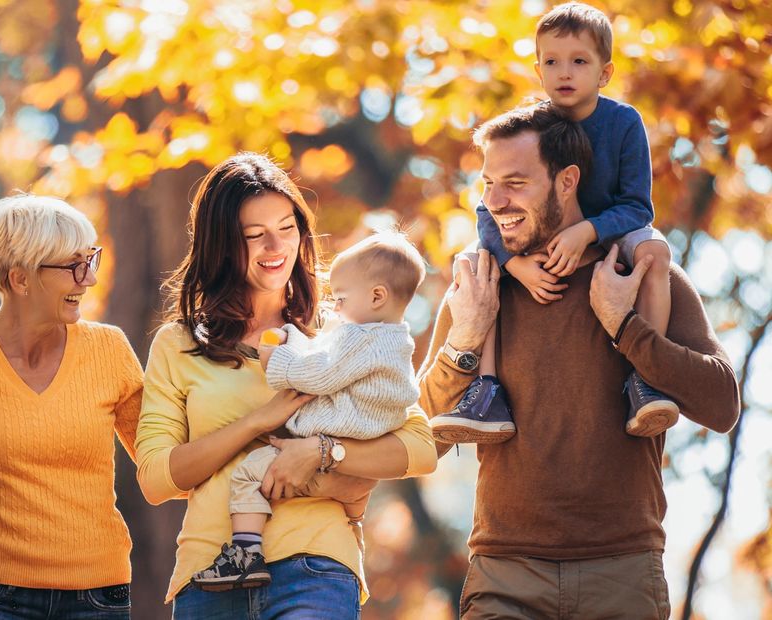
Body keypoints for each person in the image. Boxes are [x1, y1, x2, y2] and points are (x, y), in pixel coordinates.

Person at [419, 103, 740, 618]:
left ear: (567, 180)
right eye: (487, 184)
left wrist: (624, 325)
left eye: (516, 183)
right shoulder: (479, 286)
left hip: (623, 572)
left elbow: (722, 406)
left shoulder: (638, 276)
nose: (494, 202)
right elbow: (417, 437)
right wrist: (466, 339)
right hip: (504, 574)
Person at [137, 152, 437, 618]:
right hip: (208, 575)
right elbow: (157, 478)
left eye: (287, 228)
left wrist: (321, 453)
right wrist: (260, 419)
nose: (276, 246)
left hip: (315, 567)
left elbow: (419, 447)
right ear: (219, 245)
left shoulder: (341, 328)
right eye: (254, 236)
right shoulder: (178, 344)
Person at [433, 1, 679, 444]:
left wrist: (587, 230)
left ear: (604, 73)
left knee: (654, 251)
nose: (564, 73)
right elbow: (489, 208)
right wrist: (511, 263)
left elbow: (638, 207)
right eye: (552, 62)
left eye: (579, 62)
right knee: (476, 265)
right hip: (531, 242)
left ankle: (646, 377)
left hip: (611, 235)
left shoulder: (623, 123)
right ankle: (486, 392)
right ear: (538, 69)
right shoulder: (534, 125)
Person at [0, 194, 143, 619]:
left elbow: (164, 463)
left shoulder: (110, 349)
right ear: (20, 279)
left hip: (97, 595)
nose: (88, 279)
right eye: (72, 266)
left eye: (91, 260)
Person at [191, 231, 426, 591]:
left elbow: (320, 372)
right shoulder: (395, 340)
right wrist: (294, 338)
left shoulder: (357, 337)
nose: (336, 308)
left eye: (343, 298)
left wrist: (277, 360)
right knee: (351, 495)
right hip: (363, 442)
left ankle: (245, 552)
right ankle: (353, 527)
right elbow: (325, 352)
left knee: (248, 475)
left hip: (333, 433)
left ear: (377, 296)